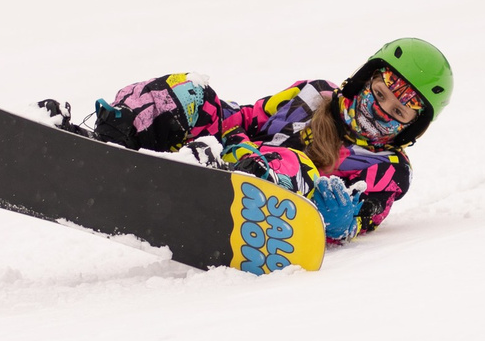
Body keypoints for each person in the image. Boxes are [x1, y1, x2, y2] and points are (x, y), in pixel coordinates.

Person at [55, 38, 452, 245]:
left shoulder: (389, 168)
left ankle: (220, 182)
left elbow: (367, 217)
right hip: (232, 151)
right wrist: (208, 121)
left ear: (411, 129)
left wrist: (344, 217)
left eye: (398, 112)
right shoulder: (314, 94)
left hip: (270, 207)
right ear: (365, 80)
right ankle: (111, 139)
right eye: (379, 94)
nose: (380, 111)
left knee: (299, 165)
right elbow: (247, 119)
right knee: (192, 91)